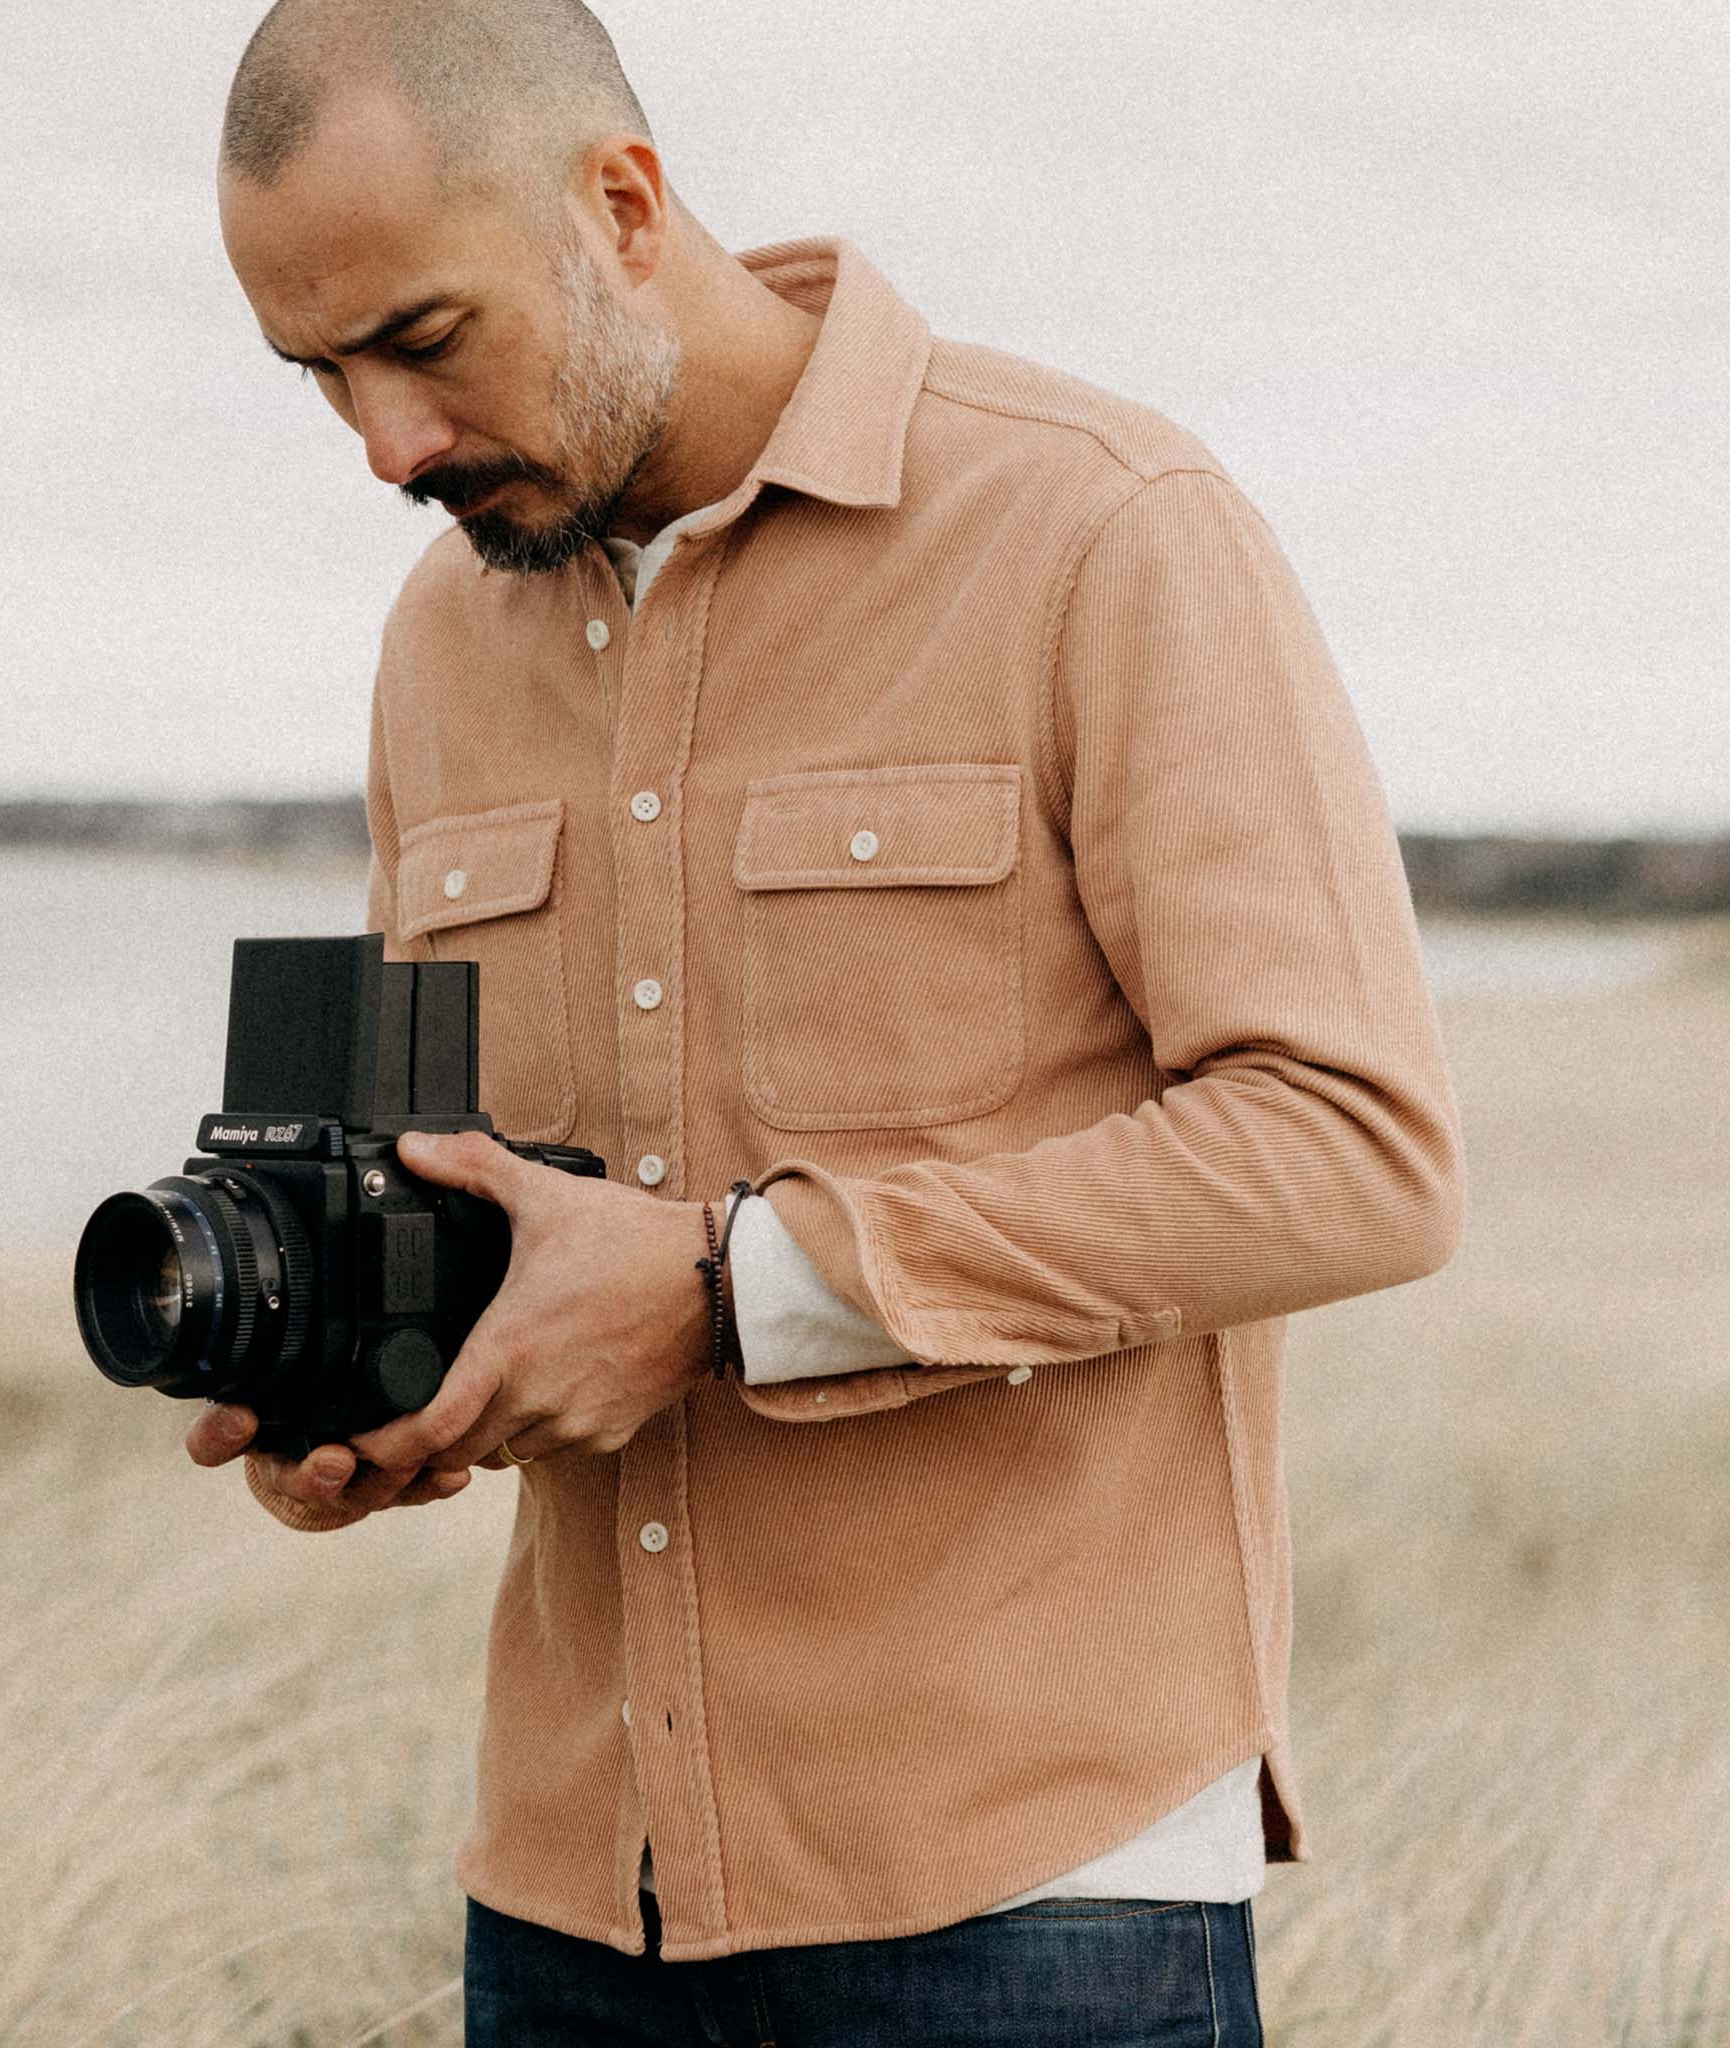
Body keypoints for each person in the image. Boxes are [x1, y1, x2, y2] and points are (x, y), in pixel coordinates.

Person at [186, 1, 1467, 2040]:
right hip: (569, 1901)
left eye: (420, 339)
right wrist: (359, 1382)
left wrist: (725, 1288)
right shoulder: (436, 637)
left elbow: (1356, 1153)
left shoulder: (1098, 525)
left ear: (620, 205)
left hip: (1035, 1893)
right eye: (315, 374)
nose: (384, 448)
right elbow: (436, 1187)